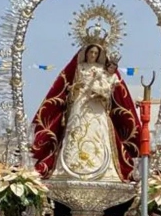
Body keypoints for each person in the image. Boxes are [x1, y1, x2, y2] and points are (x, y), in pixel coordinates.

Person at [30, 39, 141, 181]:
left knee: (98, 130)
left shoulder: (102, 70)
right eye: (91, 52)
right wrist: (75, 88)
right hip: (80, 101)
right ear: (86, 53)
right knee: (76, 128)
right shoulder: (79, 67)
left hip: (96, 104)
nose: (93, 55)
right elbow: (70, 87)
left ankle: (101, 167)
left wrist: (100, 91)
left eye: (96, 53)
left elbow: (109, 88)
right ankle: (70, 166)